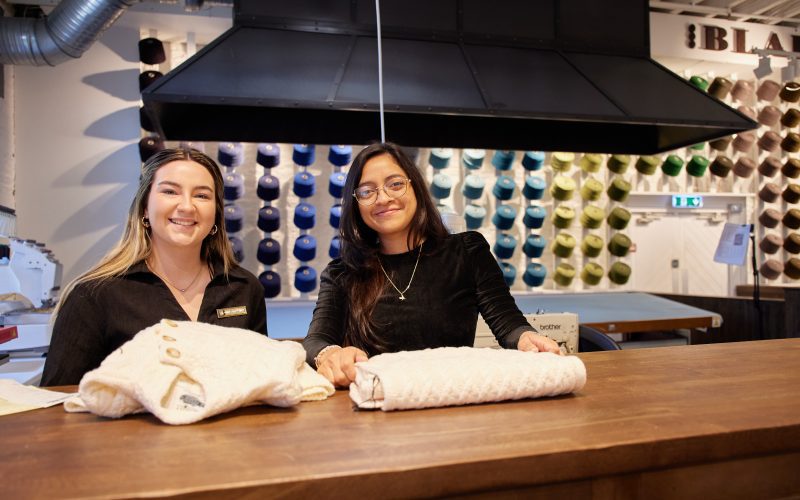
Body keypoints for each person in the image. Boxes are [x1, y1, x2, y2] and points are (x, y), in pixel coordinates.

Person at [303, 142, 560, 388]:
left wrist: (527, 339)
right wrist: (330, 354)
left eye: (395, 184)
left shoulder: (467, 252)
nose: (383, 198)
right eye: (367, 191)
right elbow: (316, 340)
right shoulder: (343, 273)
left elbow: (509, 324)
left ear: (416, 188)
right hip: (376, 406)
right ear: (356, 203)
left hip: (450, 399)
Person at [41, 148, 267, 386]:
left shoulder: (245, 288)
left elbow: (262, 383)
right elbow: (57, 402)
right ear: (145, 208)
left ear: (216, 214)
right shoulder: (93, 295)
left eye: (202, 196)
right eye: (170, 191)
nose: (187, 207)